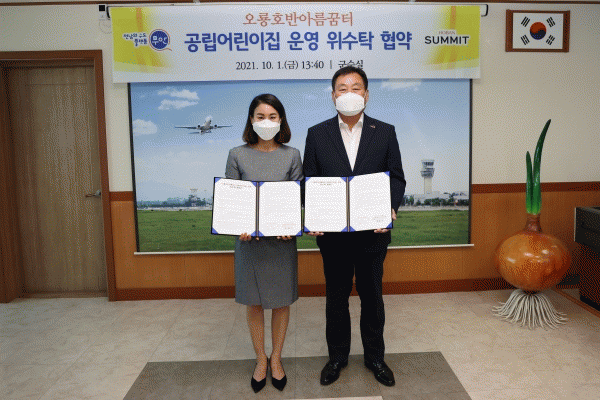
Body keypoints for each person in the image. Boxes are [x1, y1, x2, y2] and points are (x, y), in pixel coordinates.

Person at [303, 66, 406, 387]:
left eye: (356, 87)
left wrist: (390, 207)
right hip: (333, 236)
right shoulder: (317, 134)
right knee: (336, 299)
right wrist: (313, 215)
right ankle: (337, 357)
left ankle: (375, 357)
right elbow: (309, 180)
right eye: (342, 88)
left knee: (372, 297)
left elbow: (397, 177)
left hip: (373, 234)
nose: (349, 94)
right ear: (333, 95)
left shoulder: (384, 131)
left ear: (367, 94)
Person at [225, 93, 303, 393]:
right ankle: (261, 359)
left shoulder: (292, 155)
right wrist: (239, 227)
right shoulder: (237, 154)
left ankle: (277, 359)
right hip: (249, 244)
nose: (266, 122)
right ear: (251, 120)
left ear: (281, 120)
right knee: (254, 302)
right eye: (260, 117)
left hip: (281, 243)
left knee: (281, 302)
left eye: (272, 117)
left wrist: (290, 226)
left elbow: (296, 198)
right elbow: (233, 200)